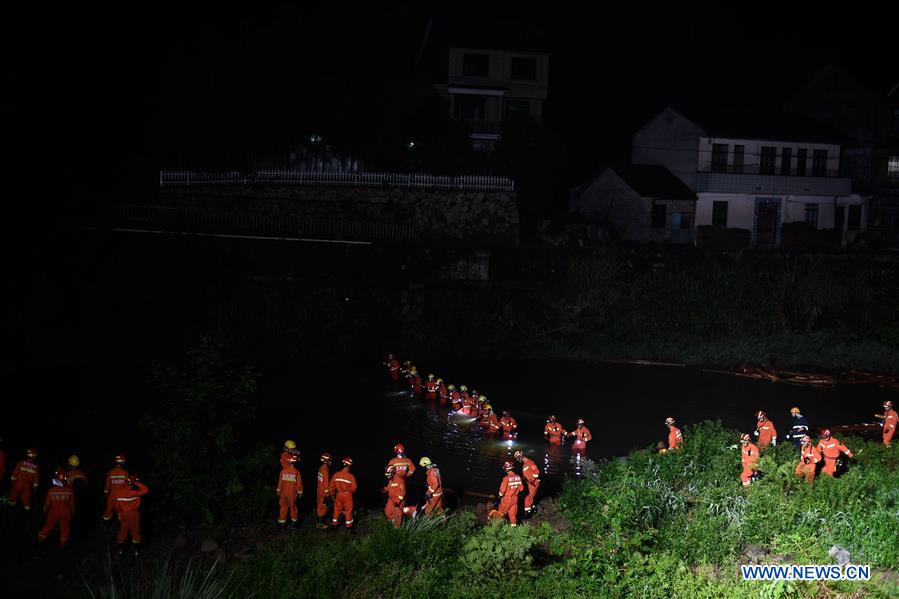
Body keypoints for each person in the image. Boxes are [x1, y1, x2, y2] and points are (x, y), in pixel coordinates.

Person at [38, 470, 75, 548]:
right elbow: (72, 504)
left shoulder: (51, 491)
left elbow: (47, 504)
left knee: (48, 526)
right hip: (66, 513)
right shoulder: (70, 491)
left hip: (54, 512)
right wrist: (73, 513)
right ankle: (63, 545)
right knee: (65, 528)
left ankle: (40, 541)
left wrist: (44, 512)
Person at [115, 476, 149, 556]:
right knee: (135, 531)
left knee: (123, 531)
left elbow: (117, 506)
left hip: (123, 514)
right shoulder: (134, 493)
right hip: (133, 514)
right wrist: (136, 482)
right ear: (131, 483)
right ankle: (137, 551)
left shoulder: (118, 493)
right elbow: (146, 490)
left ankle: (120, 550)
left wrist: (119, 514)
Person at [490, 462, 523, 526]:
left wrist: (499, 496)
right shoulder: (518, 477)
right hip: (515, 499)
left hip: (507, 498)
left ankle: (495, 527)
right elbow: (521, 489)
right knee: (512, 515)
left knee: (500, 512)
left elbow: (502, 490)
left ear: (506, 469)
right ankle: (513, 530)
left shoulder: (506, 478)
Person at [329, 457, 357, 531]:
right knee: (348, 510)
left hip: (339, 494)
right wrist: (349, 491)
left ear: (343, 464)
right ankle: (349, 528)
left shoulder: (336, 474)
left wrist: (332, 494)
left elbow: (331, 486)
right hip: (348, 495)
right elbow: (354, 488)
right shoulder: (351, 476)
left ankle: (335, 525)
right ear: (350, 466)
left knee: (337, 509)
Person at [277, 454, 303, 530]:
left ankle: (282, 526)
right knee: (293, 508)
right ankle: (293, 525)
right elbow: (299, 485)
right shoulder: (297, 472)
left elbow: (280, 484)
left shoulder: (283, 471)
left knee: (283, 508)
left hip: (283, 494)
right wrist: (300, 492)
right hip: (292, 495)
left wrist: (278, 492)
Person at [103, 454, 130, 523]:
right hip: (121, 497)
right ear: (123, 462)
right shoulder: (125, 473)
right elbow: (127, 487)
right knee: (121, 513)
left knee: (108, 513)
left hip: (112, 496)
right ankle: (120, 528)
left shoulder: (110, 472)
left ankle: (105, 527)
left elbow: (107, 488)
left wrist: (106, 496)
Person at [514, 450, 540, 516]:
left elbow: (536, 472)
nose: (518, 460)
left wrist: (532, 480)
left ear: (520, 457)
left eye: (518, 458)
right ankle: (532, 507)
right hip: (529, 483)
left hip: (532, 483)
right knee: (531, 496)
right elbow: (527, 472)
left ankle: (527, 511)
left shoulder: (529, 462)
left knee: (528, 497)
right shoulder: (526, 463)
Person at [316, 453, 332, 529]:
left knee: (319, 506)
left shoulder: (321, 468)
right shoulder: (325, 470)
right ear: (327, 461)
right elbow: (326, 482)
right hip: (323, 492)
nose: (331, 462)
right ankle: (320, 524)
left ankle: (318, 522)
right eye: (330, 460)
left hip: (319, 490)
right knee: (323, 507)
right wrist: (327, 495)